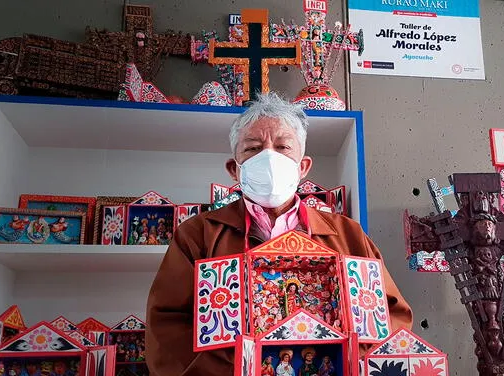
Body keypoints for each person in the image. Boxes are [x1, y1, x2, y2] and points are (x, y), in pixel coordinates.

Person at [145, 92, 413, 376]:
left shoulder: (348, 235)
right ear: (234, 169)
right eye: (252, 148)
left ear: (303, 167)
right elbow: (166, 329)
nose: (268, 157)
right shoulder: (198, 235)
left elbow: (391, 316)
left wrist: (343, 361)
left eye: (283, 146)